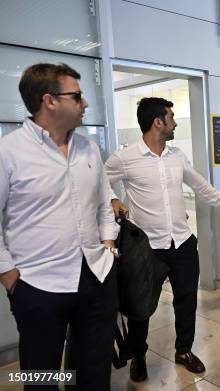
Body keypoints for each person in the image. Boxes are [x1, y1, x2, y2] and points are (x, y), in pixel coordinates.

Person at [105, 97, 220, 382]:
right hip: (147, 250)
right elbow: (99, 182)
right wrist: (114, 198)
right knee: (140, 308)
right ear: (158, 122)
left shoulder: (177, 155)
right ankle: (138, 356)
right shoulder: (125, 157)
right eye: (171, 116)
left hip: (182, 243)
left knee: (186, 302)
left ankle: (184, 351)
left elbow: (199, 185)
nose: (175, 121)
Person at [0, 63, 119, 390]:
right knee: (42, 380)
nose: (85, 104)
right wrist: (10, 278)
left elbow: (103, 202)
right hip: (37, 285)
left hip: (96, 276)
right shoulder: (9, 152)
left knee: (93, 375)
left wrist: (108, 245)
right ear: (50, 101)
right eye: (77, 96)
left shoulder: (89, 148)